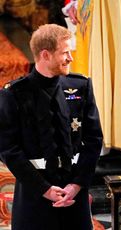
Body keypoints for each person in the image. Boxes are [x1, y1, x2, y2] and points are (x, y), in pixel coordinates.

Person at [0, 23, 103, 230]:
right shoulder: (14, 94)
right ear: (45, 55)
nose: (70, 58)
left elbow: (94, 139)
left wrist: (77, 184)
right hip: (34, 192)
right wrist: (44, 189)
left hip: (74, 190)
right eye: (65, 53)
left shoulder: (80, 86)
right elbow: (7, 149)